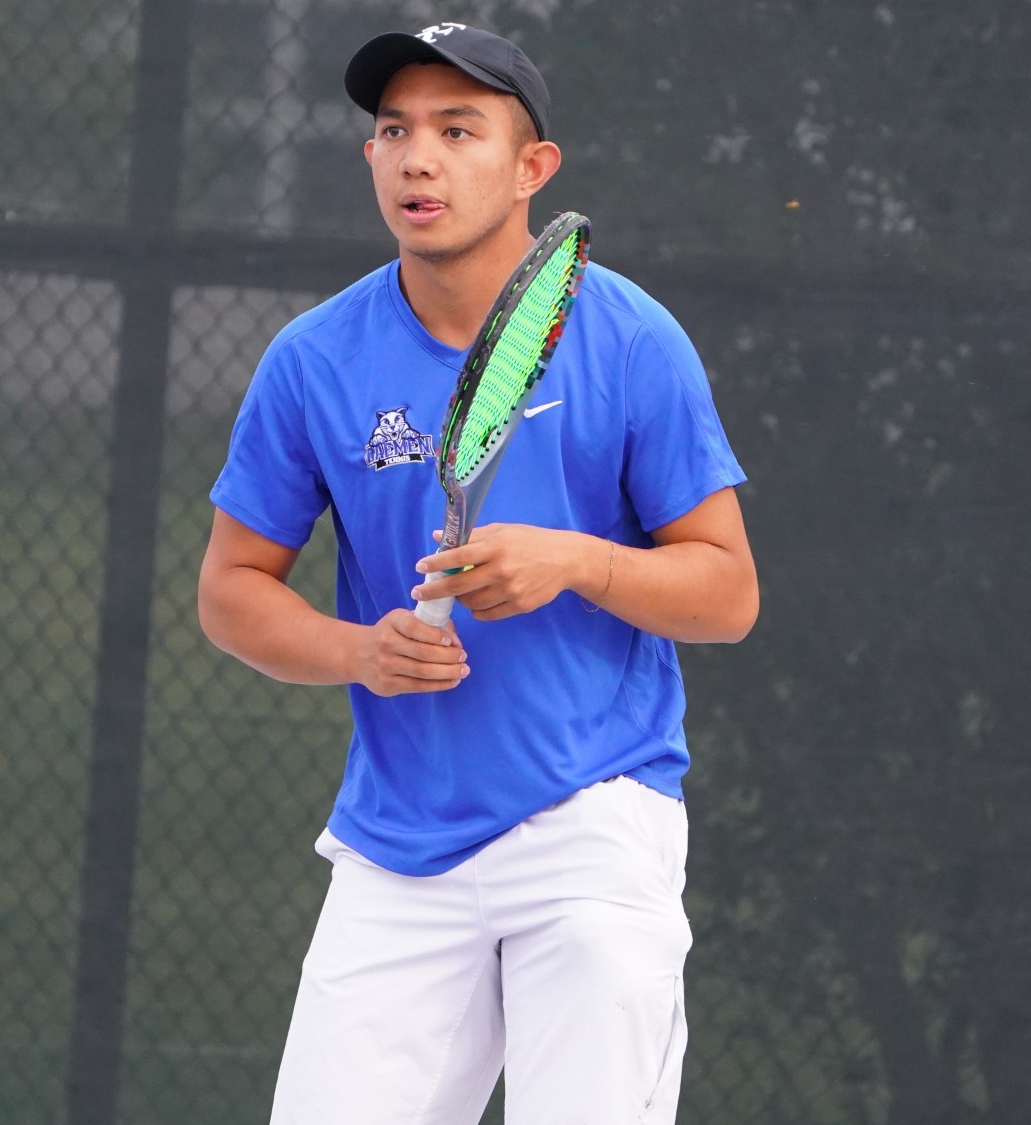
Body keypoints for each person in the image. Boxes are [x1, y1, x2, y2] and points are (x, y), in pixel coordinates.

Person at [196, 21, 757, 1125]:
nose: (418, 158)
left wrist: (577, 564)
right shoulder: (312, 359)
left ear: (530, 169)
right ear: (368, 159)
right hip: (398, 844)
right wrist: (360, 651)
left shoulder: (635, 341)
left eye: (459, 130)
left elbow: (726, 593)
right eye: (395, 131)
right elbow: (230, 590)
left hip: (593, 821)